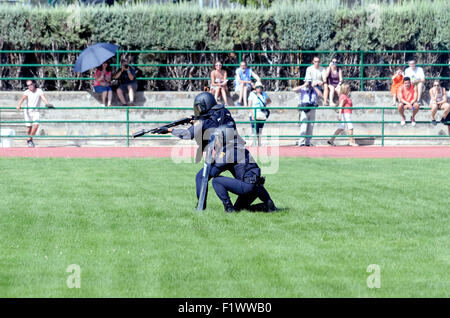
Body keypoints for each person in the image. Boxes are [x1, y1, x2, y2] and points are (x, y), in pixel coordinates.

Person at [159, 92, 277, 213]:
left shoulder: (205, 120)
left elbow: (187, 134)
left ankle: (203, 207)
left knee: (203, 176)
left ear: (205, 106)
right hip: (240, 153)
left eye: (199, 107)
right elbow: (214, 124)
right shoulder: (224, 112)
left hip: (226, 154)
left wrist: (169, 130)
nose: (198, 110)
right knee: (241, 207)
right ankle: (268, 205)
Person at [16, 80, 53, 148]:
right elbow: (22, 99)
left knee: (36, 125)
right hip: (27, 111)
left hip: (36, 111)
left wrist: (47, 104)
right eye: (28, 85)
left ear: (34, 84)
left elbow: (43, 97)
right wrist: (19, 105)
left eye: (31, 84)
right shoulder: (26, 92)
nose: (30, 86)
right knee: (29, 128)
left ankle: (29, 139)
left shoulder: (39, 91)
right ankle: (30, 141)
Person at [292, 80, 322, 147]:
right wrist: (304, 85)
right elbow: (294, 90)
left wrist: (314, 87)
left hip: (312, 108)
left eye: (310, 82)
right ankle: (301, 141)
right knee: (303, 125)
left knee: (311, 126)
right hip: (304, 108)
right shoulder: (303, 88)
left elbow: (320, 94)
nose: (309, 83)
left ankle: (308, 142)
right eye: (308, 82)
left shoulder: (314, 89)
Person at [248, 81, 271, 146]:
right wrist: (252, 114)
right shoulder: (252, 94)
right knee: (254, 129)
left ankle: (259, 143)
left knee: (260, 130)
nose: (259, 89)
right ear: (255, 88)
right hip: (254, 114)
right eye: (258, 87)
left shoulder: (264, 94)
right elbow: (249, 105)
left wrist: (265, 104)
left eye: (260, 87)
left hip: (262, 114)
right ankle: (252, 143)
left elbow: (269, 101)